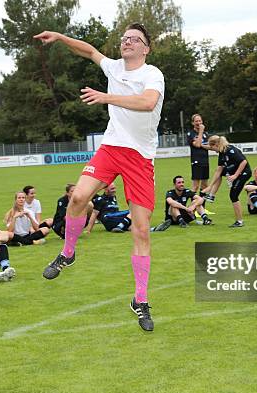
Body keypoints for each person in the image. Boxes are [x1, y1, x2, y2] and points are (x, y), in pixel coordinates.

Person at [34, 22, 164, 331]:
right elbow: (89, 51)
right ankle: (68, 253)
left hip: (140, 157)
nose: (127, 42)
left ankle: (140, 300)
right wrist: (61, 37)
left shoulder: (152, 74)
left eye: (135, 39)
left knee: (142, 231)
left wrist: (106, 98)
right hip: (111, 147)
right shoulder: (114, 67)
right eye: (124, 39)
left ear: (145, 48)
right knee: (78, 197)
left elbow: (147, 104)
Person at [203, 135, 252, 228]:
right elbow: (218, 171)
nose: (212, 150)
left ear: (216, 144)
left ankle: (239, 221)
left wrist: (235, 176)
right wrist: (210, 186)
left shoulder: (230, 150)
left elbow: (243, 162)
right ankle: (212, 195)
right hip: (233, 171)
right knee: (220, 173)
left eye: (212, 147)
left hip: (244, 173)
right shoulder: (221, 152)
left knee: (233, 195)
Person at [187, 114, 211, 194]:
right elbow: (197, 145)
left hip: (205, 161)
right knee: (195, 186)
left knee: (204, 185)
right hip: (196, 162)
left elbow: (209, 146)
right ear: (193, 123)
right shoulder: (191, 134)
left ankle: (201, 206)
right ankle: (192, 205)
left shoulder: (206, 134)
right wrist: (201, 131)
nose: (198, 123)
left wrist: (202, 144)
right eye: (196, 121)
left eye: (200, 121)